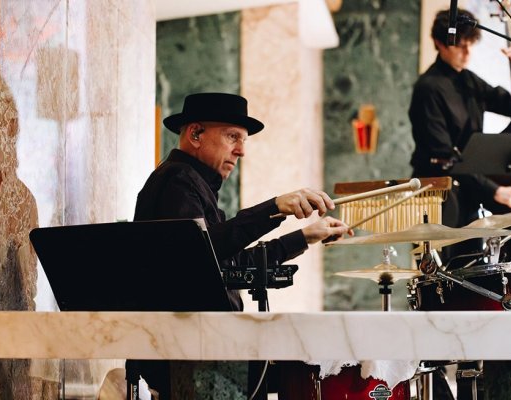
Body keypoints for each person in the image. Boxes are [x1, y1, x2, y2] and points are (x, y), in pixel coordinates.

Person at [132, 92, 352, 399]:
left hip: (207, 352)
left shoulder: (193, 182)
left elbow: (227, 263)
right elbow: (197, 254)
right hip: (192, 357)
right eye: (232, 137)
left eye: (244, 140)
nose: (241, 151)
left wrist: (305, 236)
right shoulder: (177, 181)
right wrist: (274, 207)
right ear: (196, 133)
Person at [409, 8, 511, 268]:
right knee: (443, 275)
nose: (467, 54)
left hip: (468, 189)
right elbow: (443, 156)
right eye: (460, 47)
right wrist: (495, 190)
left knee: (470, 269)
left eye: (470, 46)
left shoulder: (469, 80)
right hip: (439, 195)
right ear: (439, 44)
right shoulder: (428, 88)